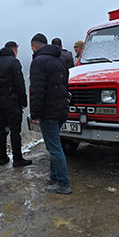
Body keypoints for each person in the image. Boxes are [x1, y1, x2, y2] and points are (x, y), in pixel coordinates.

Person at [30, 33, 72, 194]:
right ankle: (55, 176)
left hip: (49, 111)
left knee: (54, 147)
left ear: (34, 46)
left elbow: (37, 90)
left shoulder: (38, 62)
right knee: (56, 144)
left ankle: (62, 183)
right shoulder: (60, 59)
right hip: (61, 109)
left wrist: (35, 114)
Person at [0, 40, 32, 167]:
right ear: (14, 50)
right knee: (15, 130)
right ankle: (17, 158)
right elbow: (19, 83)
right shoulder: (14, 62)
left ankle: (2, 157)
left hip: (0, 102)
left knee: (2, 130)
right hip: (12, 101)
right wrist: (23, 101)